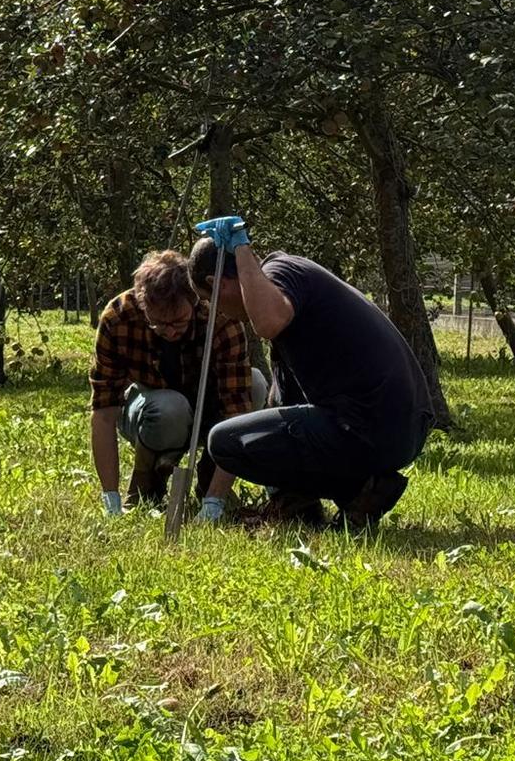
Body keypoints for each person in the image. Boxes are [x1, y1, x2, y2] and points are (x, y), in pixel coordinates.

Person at [191, 217, 434, 532]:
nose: (218, 312)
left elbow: (267, 323)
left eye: (210, 300)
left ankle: (357, 491)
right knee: (270, 422)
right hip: (397, 426)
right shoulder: (292, 281)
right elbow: (281, 401)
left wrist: (241, 249)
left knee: (225, 441)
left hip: (372, 425)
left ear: (217, 283)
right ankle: (306, 504)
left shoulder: (279, 273)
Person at [89, 248, 263, 522]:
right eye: (158, 323)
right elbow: (103, 412)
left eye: (178, 321)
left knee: (256, 385)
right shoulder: (118, 316)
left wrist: (214, 501)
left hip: (209, 409)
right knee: (171, 408)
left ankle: (210, 483)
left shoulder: (220, 318)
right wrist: (110, 498)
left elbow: (237, 415)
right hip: (152, 411)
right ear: (143, 304)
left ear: (194, 299)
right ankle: (148, 483)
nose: (169, 331)